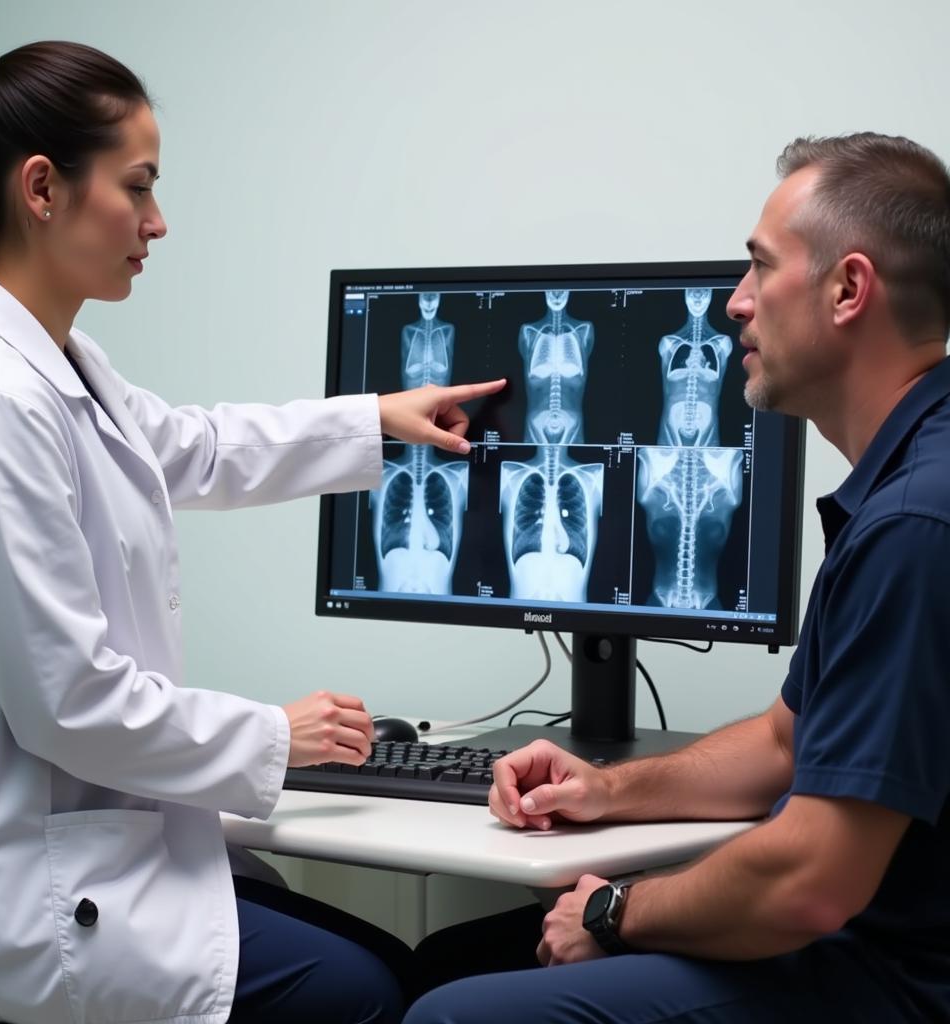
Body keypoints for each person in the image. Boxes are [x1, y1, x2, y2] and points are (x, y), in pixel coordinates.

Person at [0, 40, 504, 1024]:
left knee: (387, 963)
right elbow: (69, 704)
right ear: (42, 189)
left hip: (93, 854)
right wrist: (277, 732)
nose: (157, 223)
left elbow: (192, 446)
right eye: (138, 187)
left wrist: (376, 419)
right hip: (27, 900)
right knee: (366, 990)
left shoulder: (58, 368)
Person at [405, 132, 950, 1023]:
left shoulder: (915, 526)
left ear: (849, 289)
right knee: (445, 961)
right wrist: (603, 787)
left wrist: (619, 911)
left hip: (895, 983)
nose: (735, 303)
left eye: (758, 268)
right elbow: (786, 743)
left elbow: (811, 881)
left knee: (449, 1012)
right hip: (863, 940)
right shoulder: (907, 483)